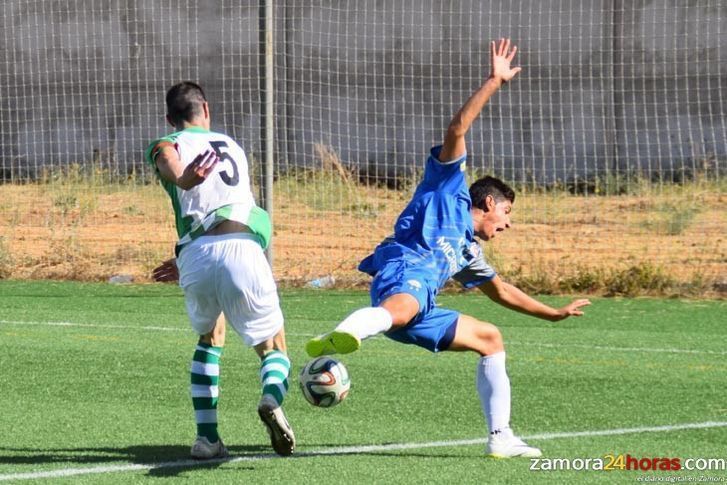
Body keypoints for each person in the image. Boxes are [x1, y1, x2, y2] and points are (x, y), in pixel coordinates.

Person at [305, 39, 591, 458]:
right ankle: (345, 333)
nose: (508, 224)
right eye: (507, 212)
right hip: (403, 266)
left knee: (490, 339)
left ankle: (501, 438)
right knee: (407, 303)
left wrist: (554, 314)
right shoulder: (449, 187)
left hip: (423, 302)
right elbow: (456, 129)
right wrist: (494, 81)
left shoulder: (468, 253)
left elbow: (503, 292)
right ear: (489, 203)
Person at [144, 82, 295, 459]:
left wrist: (180, 178)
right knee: (274, 346)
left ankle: (206, 439)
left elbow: (167, 159)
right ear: (206, 110)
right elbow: (238, 209)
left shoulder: (167, 142)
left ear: (169, 119)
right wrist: (183, 177)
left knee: (210, 339)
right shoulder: (233, 147)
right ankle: (271, 399)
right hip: (240, 247)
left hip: (195, 257)